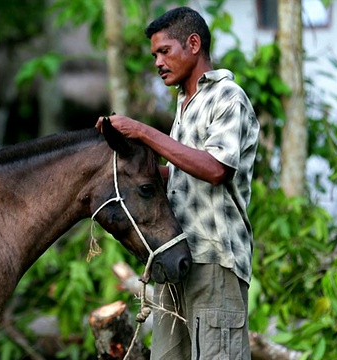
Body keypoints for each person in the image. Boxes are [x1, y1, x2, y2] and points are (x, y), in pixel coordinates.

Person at [96, 6, 259, 360]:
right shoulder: (185, 103)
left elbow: (217, 169)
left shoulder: (227, 97)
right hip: (174, 256)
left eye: (164, 51)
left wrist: (141, 130)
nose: (157, 62)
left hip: (214, 260)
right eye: (154, 54)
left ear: (194, 44)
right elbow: (183, 171)